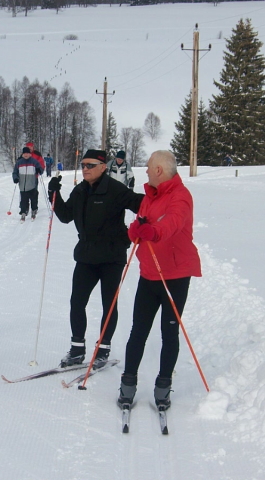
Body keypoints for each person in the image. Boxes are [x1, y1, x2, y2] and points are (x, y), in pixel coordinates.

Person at [117, 150, 201, 411]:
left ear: (159, 171)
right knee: (138, 331)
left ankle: (163, 387)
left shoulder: (181, 196)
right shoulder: (149, 197)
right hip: (149, 274)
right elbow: (139, 226)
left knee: (169, 332)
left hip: (174, 276)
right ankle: (128, 383)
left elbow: (172, 223)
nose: (145, 171)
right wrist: (136, 230)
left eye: (148, 167)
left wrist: (153, 231)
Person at [47, 149, 144, 369]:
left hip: (111, 256)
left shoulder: (116, 189)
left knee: (108, 305)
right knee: (77, 302)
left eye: (90, 165)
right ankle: (77, 350)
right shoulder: (80, 190)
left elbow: (141, 204)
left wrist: (140, 224)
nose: (85, 169)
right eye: (83, 165)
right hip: (86, 256)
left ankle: (103, 350)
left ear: (102, 167)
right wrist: (54, 194)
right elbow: (65, 216)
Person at [13, 147, 44, 221]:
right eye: (24, 153)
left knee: (34, 199)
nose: (26, 155)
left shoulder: (34, 161)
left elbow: (41, 169)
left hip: (32, 184)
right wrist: (15, 178)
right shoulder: (19, 162)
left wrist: (39, 170)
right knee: (23, 200)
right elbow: (15, 172)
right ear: (22, 154)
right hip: (22, 186)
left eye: (27, 153)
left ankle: (34, 210)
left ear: (30, 154)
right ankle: (23, 212)